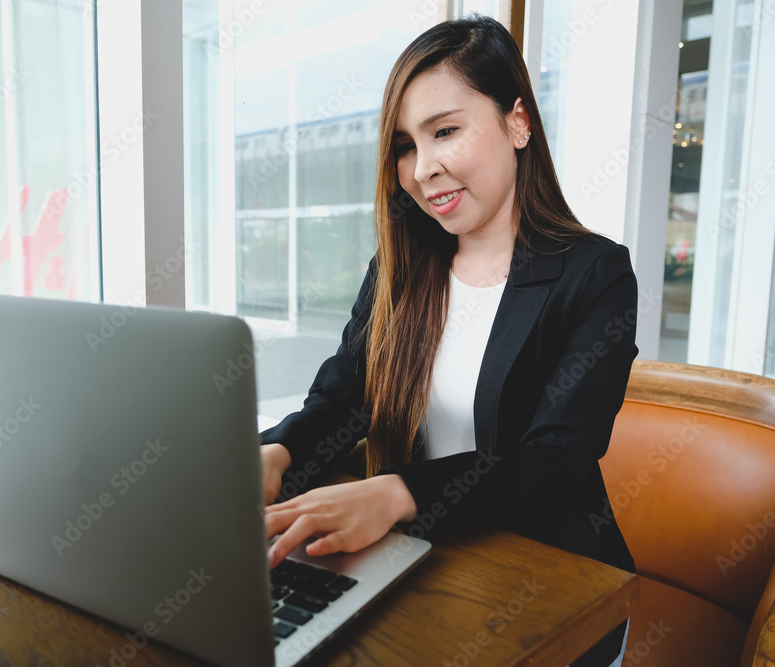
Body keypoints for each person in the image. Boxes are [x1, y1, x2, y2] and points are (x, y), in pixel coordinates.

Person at [258, 14, 636, 667]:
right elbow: (344, 397)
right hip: (427, 558)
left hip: (551, 579)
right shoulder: (403, 268)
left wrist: (397, 491)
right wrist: (280, 452)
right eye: (406, 144)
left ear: (518, 123)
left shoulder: (594, 274)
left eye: (446, 131)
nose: (423, 168)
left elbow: (556, 462)